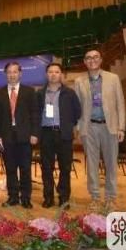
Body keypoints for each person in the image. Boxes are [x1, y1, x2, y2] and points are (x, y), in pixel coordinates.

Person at [75, 49, 126, 211]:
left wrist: (121, 127)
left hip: (110, 127)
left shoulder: (113, 78)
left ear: (101, 60)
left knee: (111, 163)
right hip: (89, 127)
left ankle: (111, 197)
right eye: (88, 58)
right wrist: (78, 128)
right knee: (91, 164)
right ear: (85, 62)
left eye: (95, 57)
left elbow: (120, 104)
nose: (92, 60)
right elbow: (77, 107)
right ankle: (95, 197)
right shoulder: (79, 81)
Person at [0, 62, 40, 209]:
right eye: (9, 72)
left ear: (20, 73)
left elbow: (35, 114)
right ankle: (12, 197)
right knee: (10, 168)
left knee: (25, 168)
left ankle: (26, 198)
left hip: (25, 136)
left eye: (15, 72)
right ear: (5, 74)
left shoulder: (29, 92)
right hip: (7, 136)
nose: (12, 75)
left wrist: (34, 133)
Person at [38, 63, 81, 210]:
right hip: (46, 134)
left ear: (61, 74)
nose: (53, 74)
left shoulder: (69, 93)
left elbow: (77, 112)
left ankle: (63, 197)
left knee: (65, 168)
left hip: (64, 134)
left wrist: (69, 125)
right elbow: (35, 113)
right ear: (46, 75)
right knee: (46, 168)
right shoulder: (40, 93)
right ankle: (48, 197)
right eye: (50, 72)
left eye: (56, 72)